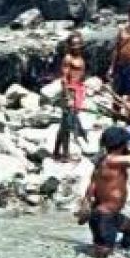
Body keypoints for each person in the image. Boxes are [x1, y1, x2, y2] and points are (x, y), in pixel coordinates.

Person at [77, 126, 130, 258]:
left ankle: (126, 250)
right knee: (103, 253)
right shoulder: (112, 161)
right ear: (121, 145)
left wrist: (86, 206)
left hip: (108, 215)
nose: (129, 147)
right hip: (104, 217)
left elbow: (92, 186)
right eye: (128, 144)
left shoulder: (102, 162)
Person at [53, 31, 88, 162]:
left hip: (78, 90)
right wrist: (67, 97)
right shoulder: (68, 58)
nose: (76, 47)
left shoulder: (81, 58)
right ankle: (65, 154)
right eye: (74, 44)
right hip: (70, 91)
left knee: (65, 123)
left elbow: (81, 76)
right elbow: (64, 79)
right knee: (67, 123)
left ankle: (56, 151)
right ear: (69, 45)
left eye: (78, 44)